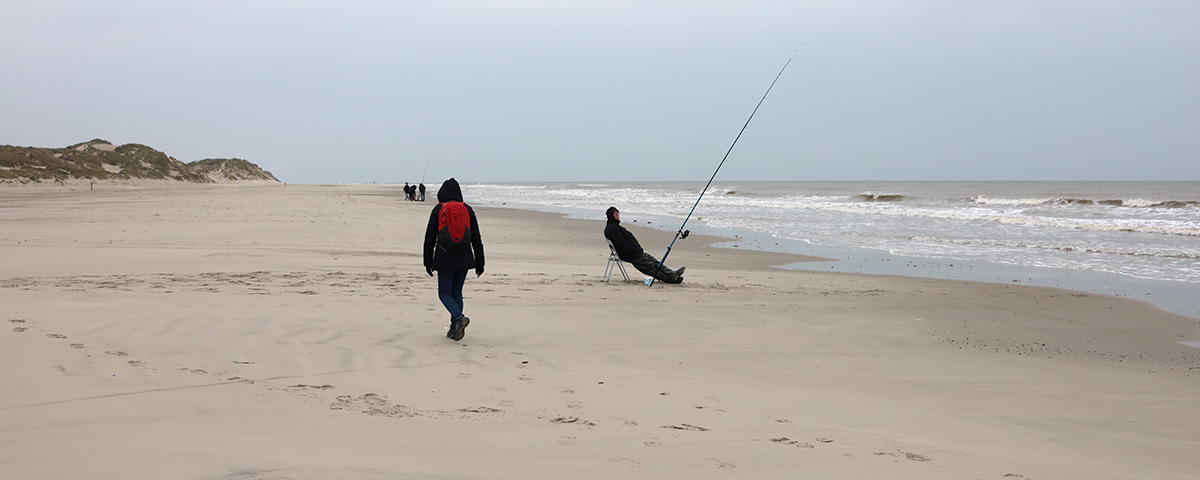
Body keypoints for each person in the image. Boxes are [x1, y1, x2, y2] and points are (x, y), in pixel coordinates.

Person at [424, 178, 485, 340]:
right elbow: (476, 238)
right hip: (464, 257)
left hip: (444, 257)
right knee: (457, 292)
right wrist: (480, 262)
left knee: (444, 293)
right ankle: (454, 329)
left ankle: (458, 318)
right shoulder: (468, 210)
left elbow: (429, 239)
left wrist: (427, 262)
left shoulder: (438, 210)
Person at [604, 207, 684, 284]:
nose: (617, 215)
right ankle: (671, 279)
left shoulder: (615, 226)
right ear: (611, 216)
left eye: (618, 213)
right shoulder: (612, 228)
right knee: (650, 267)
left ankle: (672, 274)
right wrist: (634, 250)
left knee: (655, 262)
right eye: (615, 214)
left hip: (636, 252)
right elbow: (622, 244)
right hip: (631, 255)